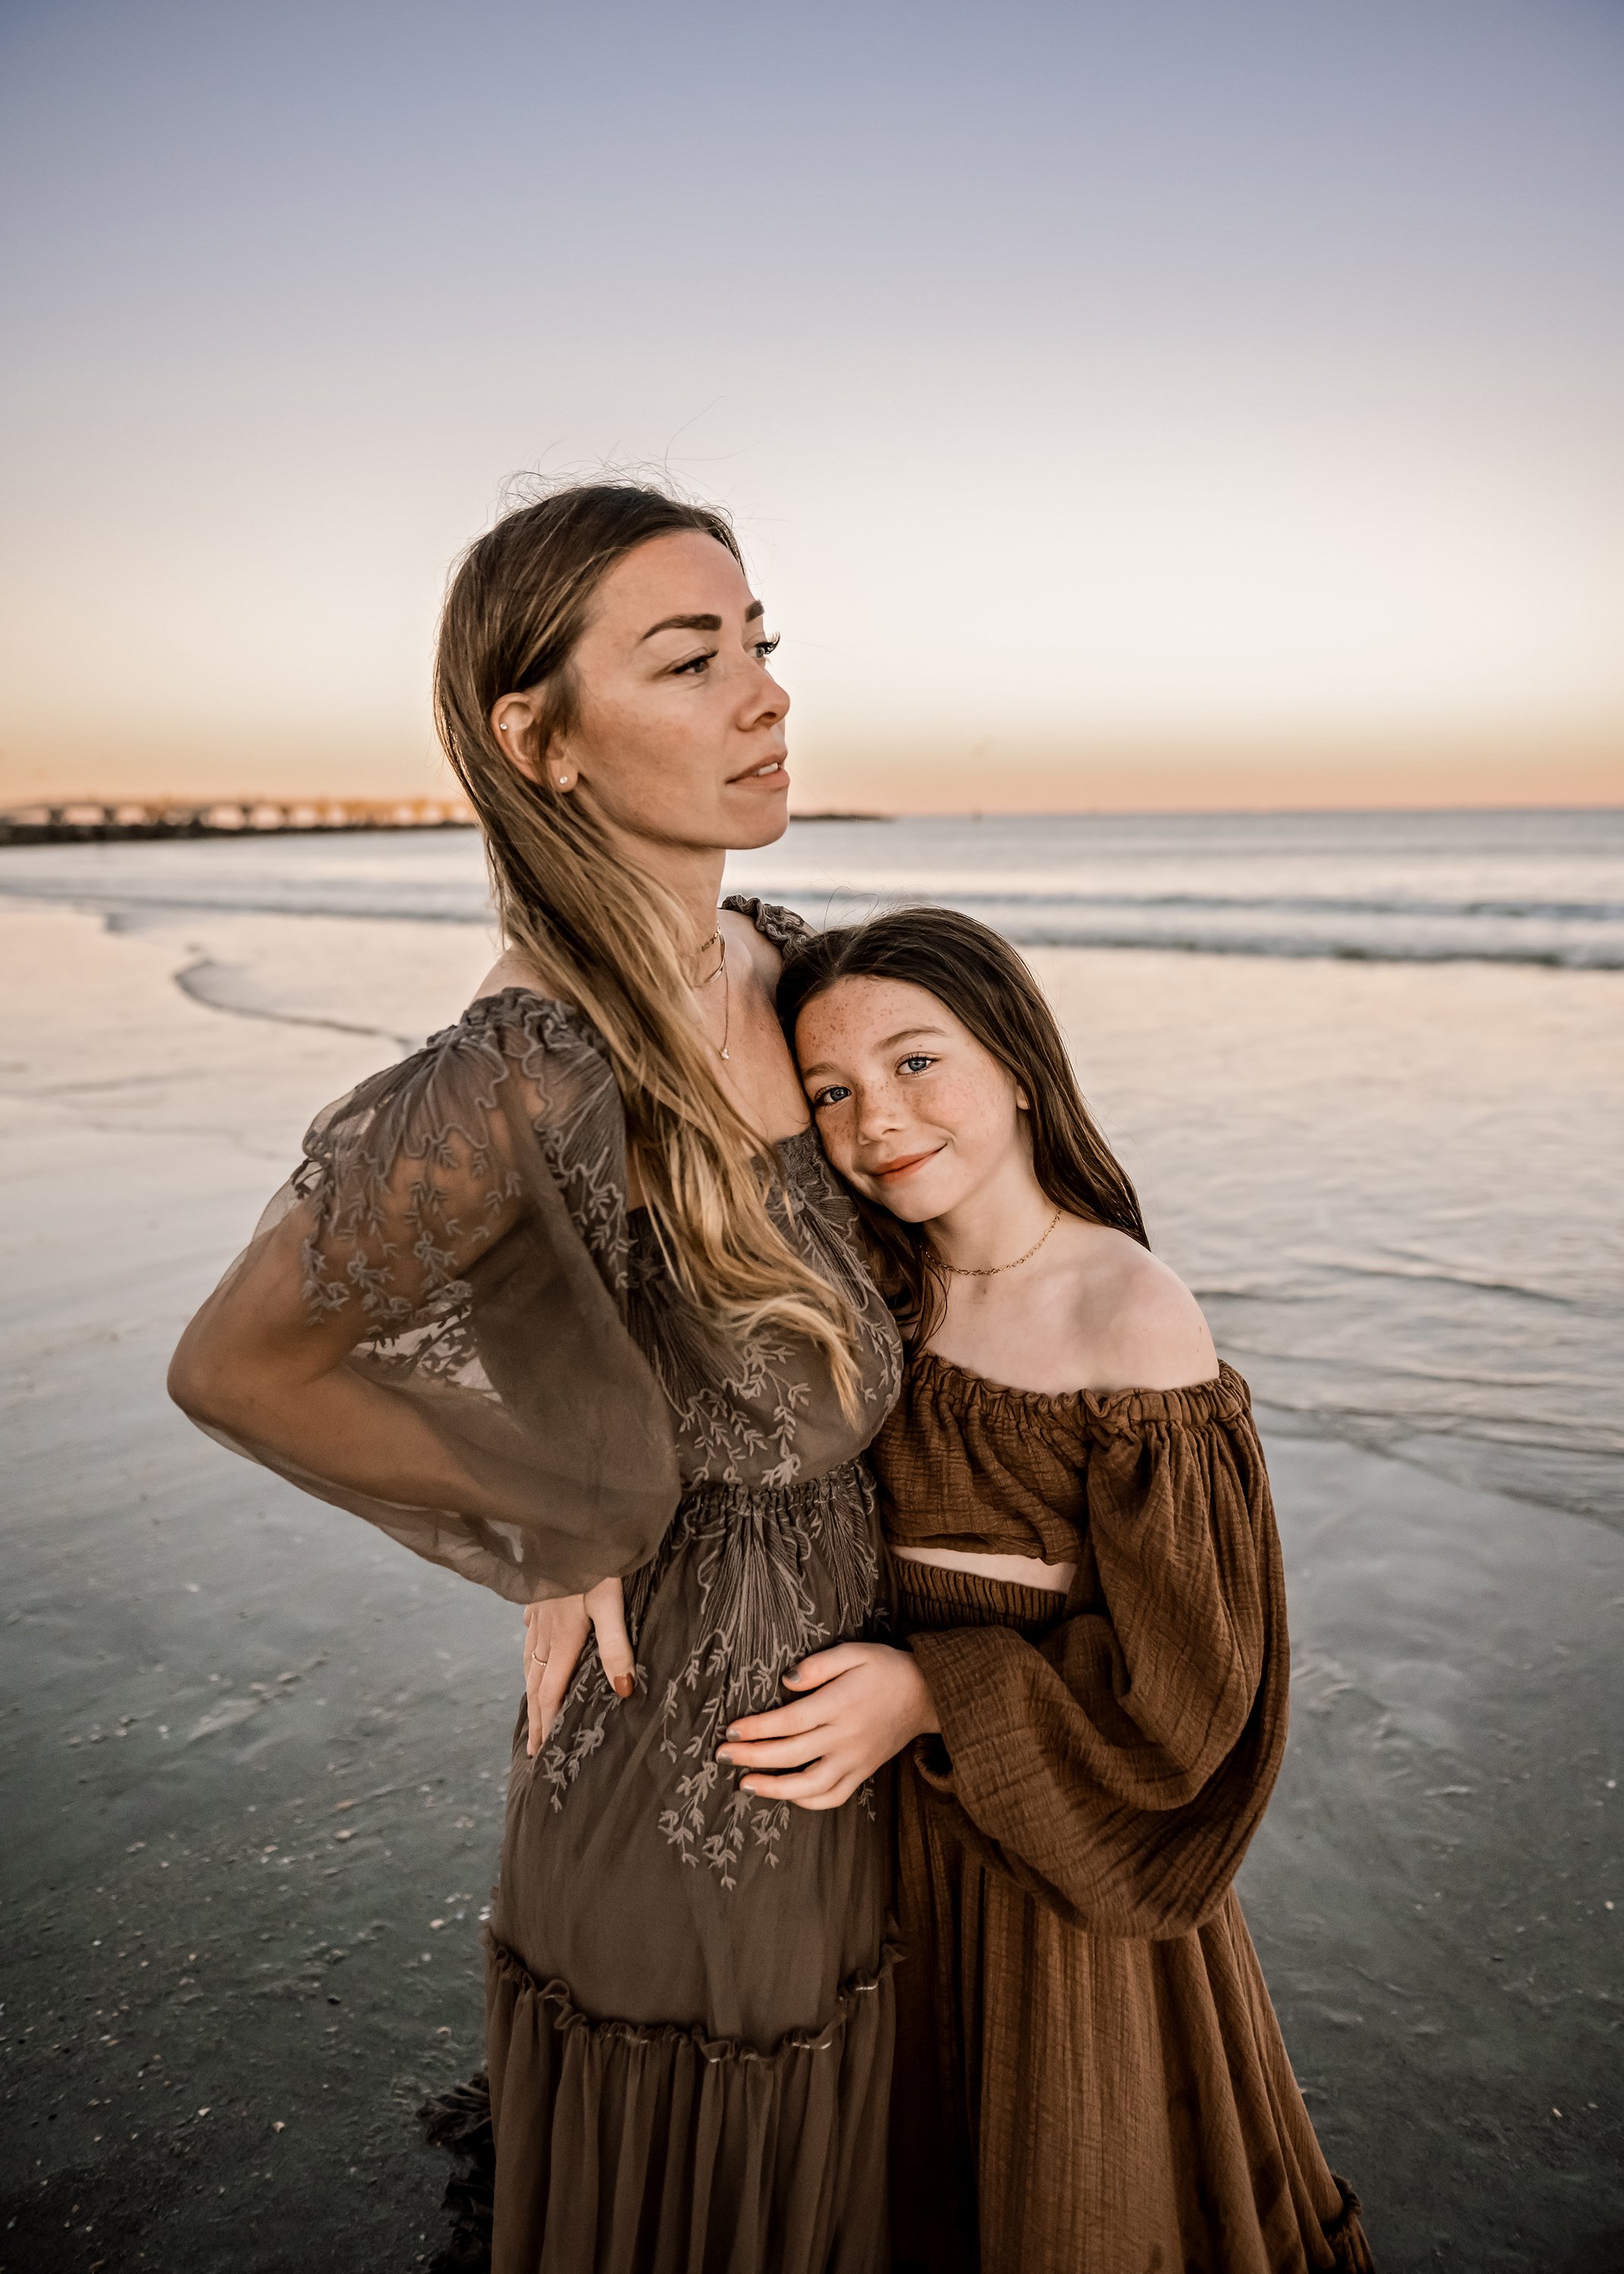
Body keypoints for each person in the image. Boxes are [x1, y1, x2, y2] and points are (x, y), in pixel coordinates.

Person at [167, 483, 903, 2274]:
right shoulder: (526, 1063)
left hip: (864, 1718)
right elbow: (243, 1362)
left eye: (759, 648)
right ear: (541, 737)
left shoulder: (799, 971)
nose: (764, 699)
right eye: (689, 659)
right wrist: (557, 1526)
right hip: (694, 1772)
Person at [718, 907, 1375, 2273]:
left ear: (1016, 1061)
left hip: (1047, 1864)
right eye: (829, 1091)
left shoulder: (1126, 1316)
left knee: (1062, 2184)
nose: (874, 1120)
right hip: (865, 1849)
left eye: (916, 1064)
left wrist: (926, 1692)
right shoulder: (864, 1290)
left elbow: (1192, 1698)